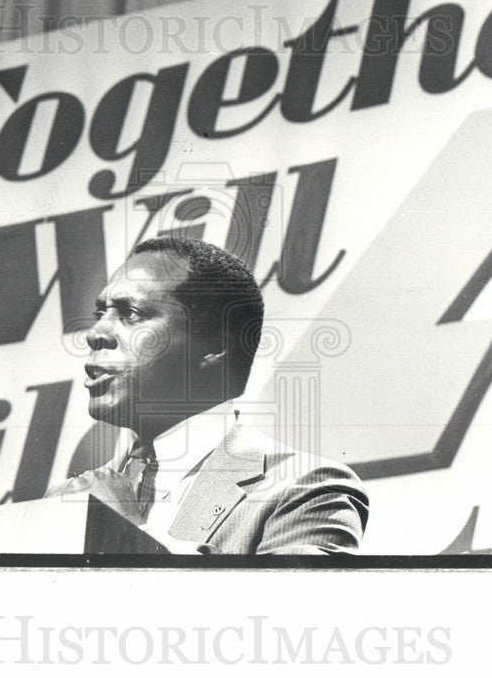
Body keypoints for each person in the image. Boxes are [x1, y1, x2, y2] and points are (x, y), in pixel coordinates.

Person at [45, 236, 368, 554]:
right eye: (100, 313)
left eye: (130, 313)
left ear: (214, 345)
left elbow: (286, 605)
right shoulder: (69, 499)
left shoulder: (306, 489)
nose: (95, 333)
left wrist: (127, 531)